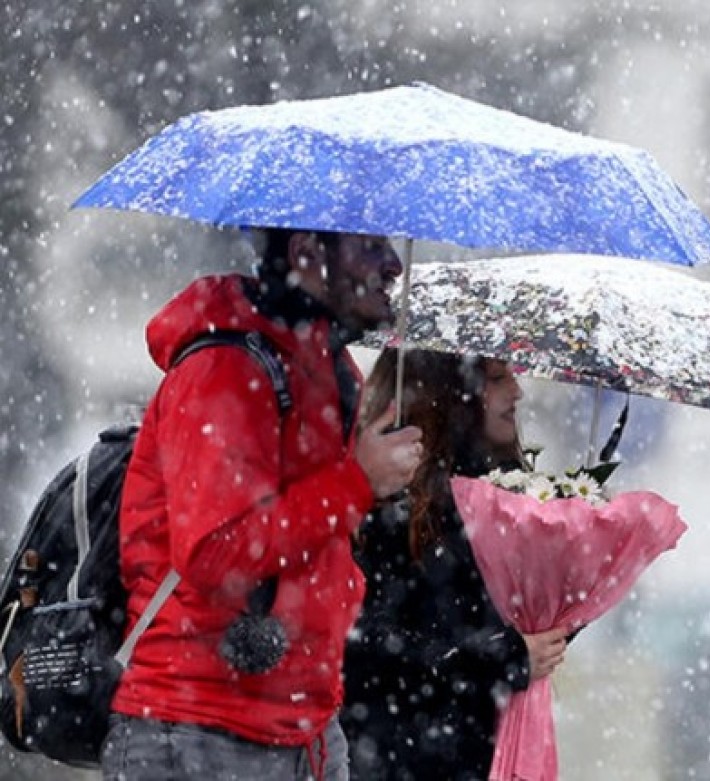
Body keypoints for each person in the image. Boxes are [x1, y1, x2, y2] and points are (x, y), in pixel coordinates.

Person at [101, 229, 425, 781]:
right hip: (200, 733)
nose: (393, 264)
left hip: (308, 727)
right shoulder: (224, 369)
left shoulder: (330, 368)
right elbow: (215, 554)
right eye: (370, 246)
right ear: (305, 253)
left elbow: (313, 534)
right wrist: (358, 483)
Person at [341, 348, 570, 781]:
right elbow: (365, 640)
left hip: (480, 751)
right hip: (391, 755)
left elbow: (520, 629)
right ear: (451, 390)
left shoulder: (506, 495)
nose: (518, 393)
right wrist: (503, 657)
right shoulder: (388, 499)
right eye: (499, 379)